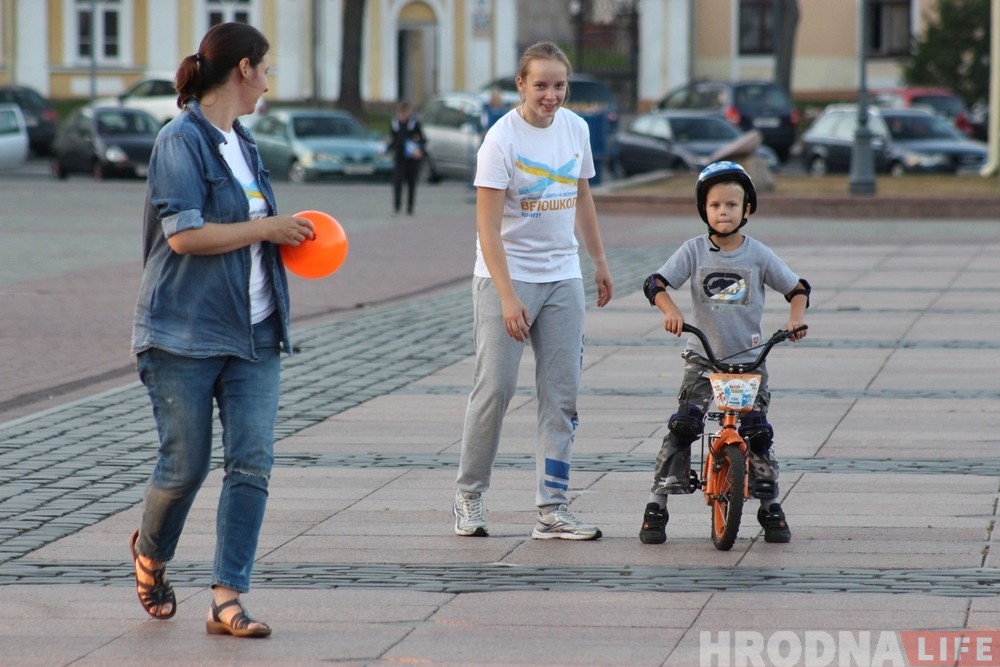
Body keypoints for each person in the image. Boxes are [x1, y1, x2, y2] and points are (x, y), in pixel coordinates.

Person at [129, 22, 315, 638]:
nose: (268, 82)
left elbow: (255, 227)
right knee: (185, 465)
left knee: (252, 463)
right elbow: (185, 235)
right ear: (242, 70)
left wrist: (296, 236)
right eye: (265, 69)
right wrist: (267, 228)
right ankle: (151, 553)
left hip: (256, 332)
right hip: (182, 332)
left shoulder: (245, 142)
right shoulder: (180, 141)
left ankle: (226, 598)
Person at [453, 41, 614, 541]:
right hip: (508, 276)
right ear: (520, 85)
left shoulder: (575, 128)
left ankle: (552, 508)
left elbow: (582, 194)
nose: (551, 95)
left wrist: (599, 262)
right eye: (540, 84)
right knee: (496, 389)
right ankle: (469, 494)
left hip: (562, 275)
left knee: (560, 395)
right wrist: (506, 295)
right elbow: (486, 227)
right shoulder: (501, 140)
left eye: (559, 85)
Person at [638, 160, 810, 546]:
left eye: (732, 205)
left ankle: (769, 506)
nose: (724, 212)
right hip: (704, 357)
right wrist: (671, 311)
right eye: (715, 205)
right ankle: (657, 504)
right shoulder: (694, 251)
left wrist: (796, 318)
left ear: (747, 209)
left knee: (757, 433)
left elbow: (797, 287)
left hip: (749, 361)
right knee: (684, 426)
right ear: (704, 210)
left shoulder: (759, 255)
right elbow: (656, 283)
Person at [388, 101, 426, 215]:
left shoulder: (414, 124)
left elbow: (422, 140)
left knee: (411, 183)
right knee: (397, 182)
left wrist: (419, 150)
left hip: (412, 159)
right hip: (399, 158)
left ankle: (410, 207)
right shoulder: (395, 124)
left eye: (405, 113)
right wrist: (387, 148)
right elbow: (393, 141)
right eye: (400, 113)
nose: (403, 116)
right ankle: (397, 206)